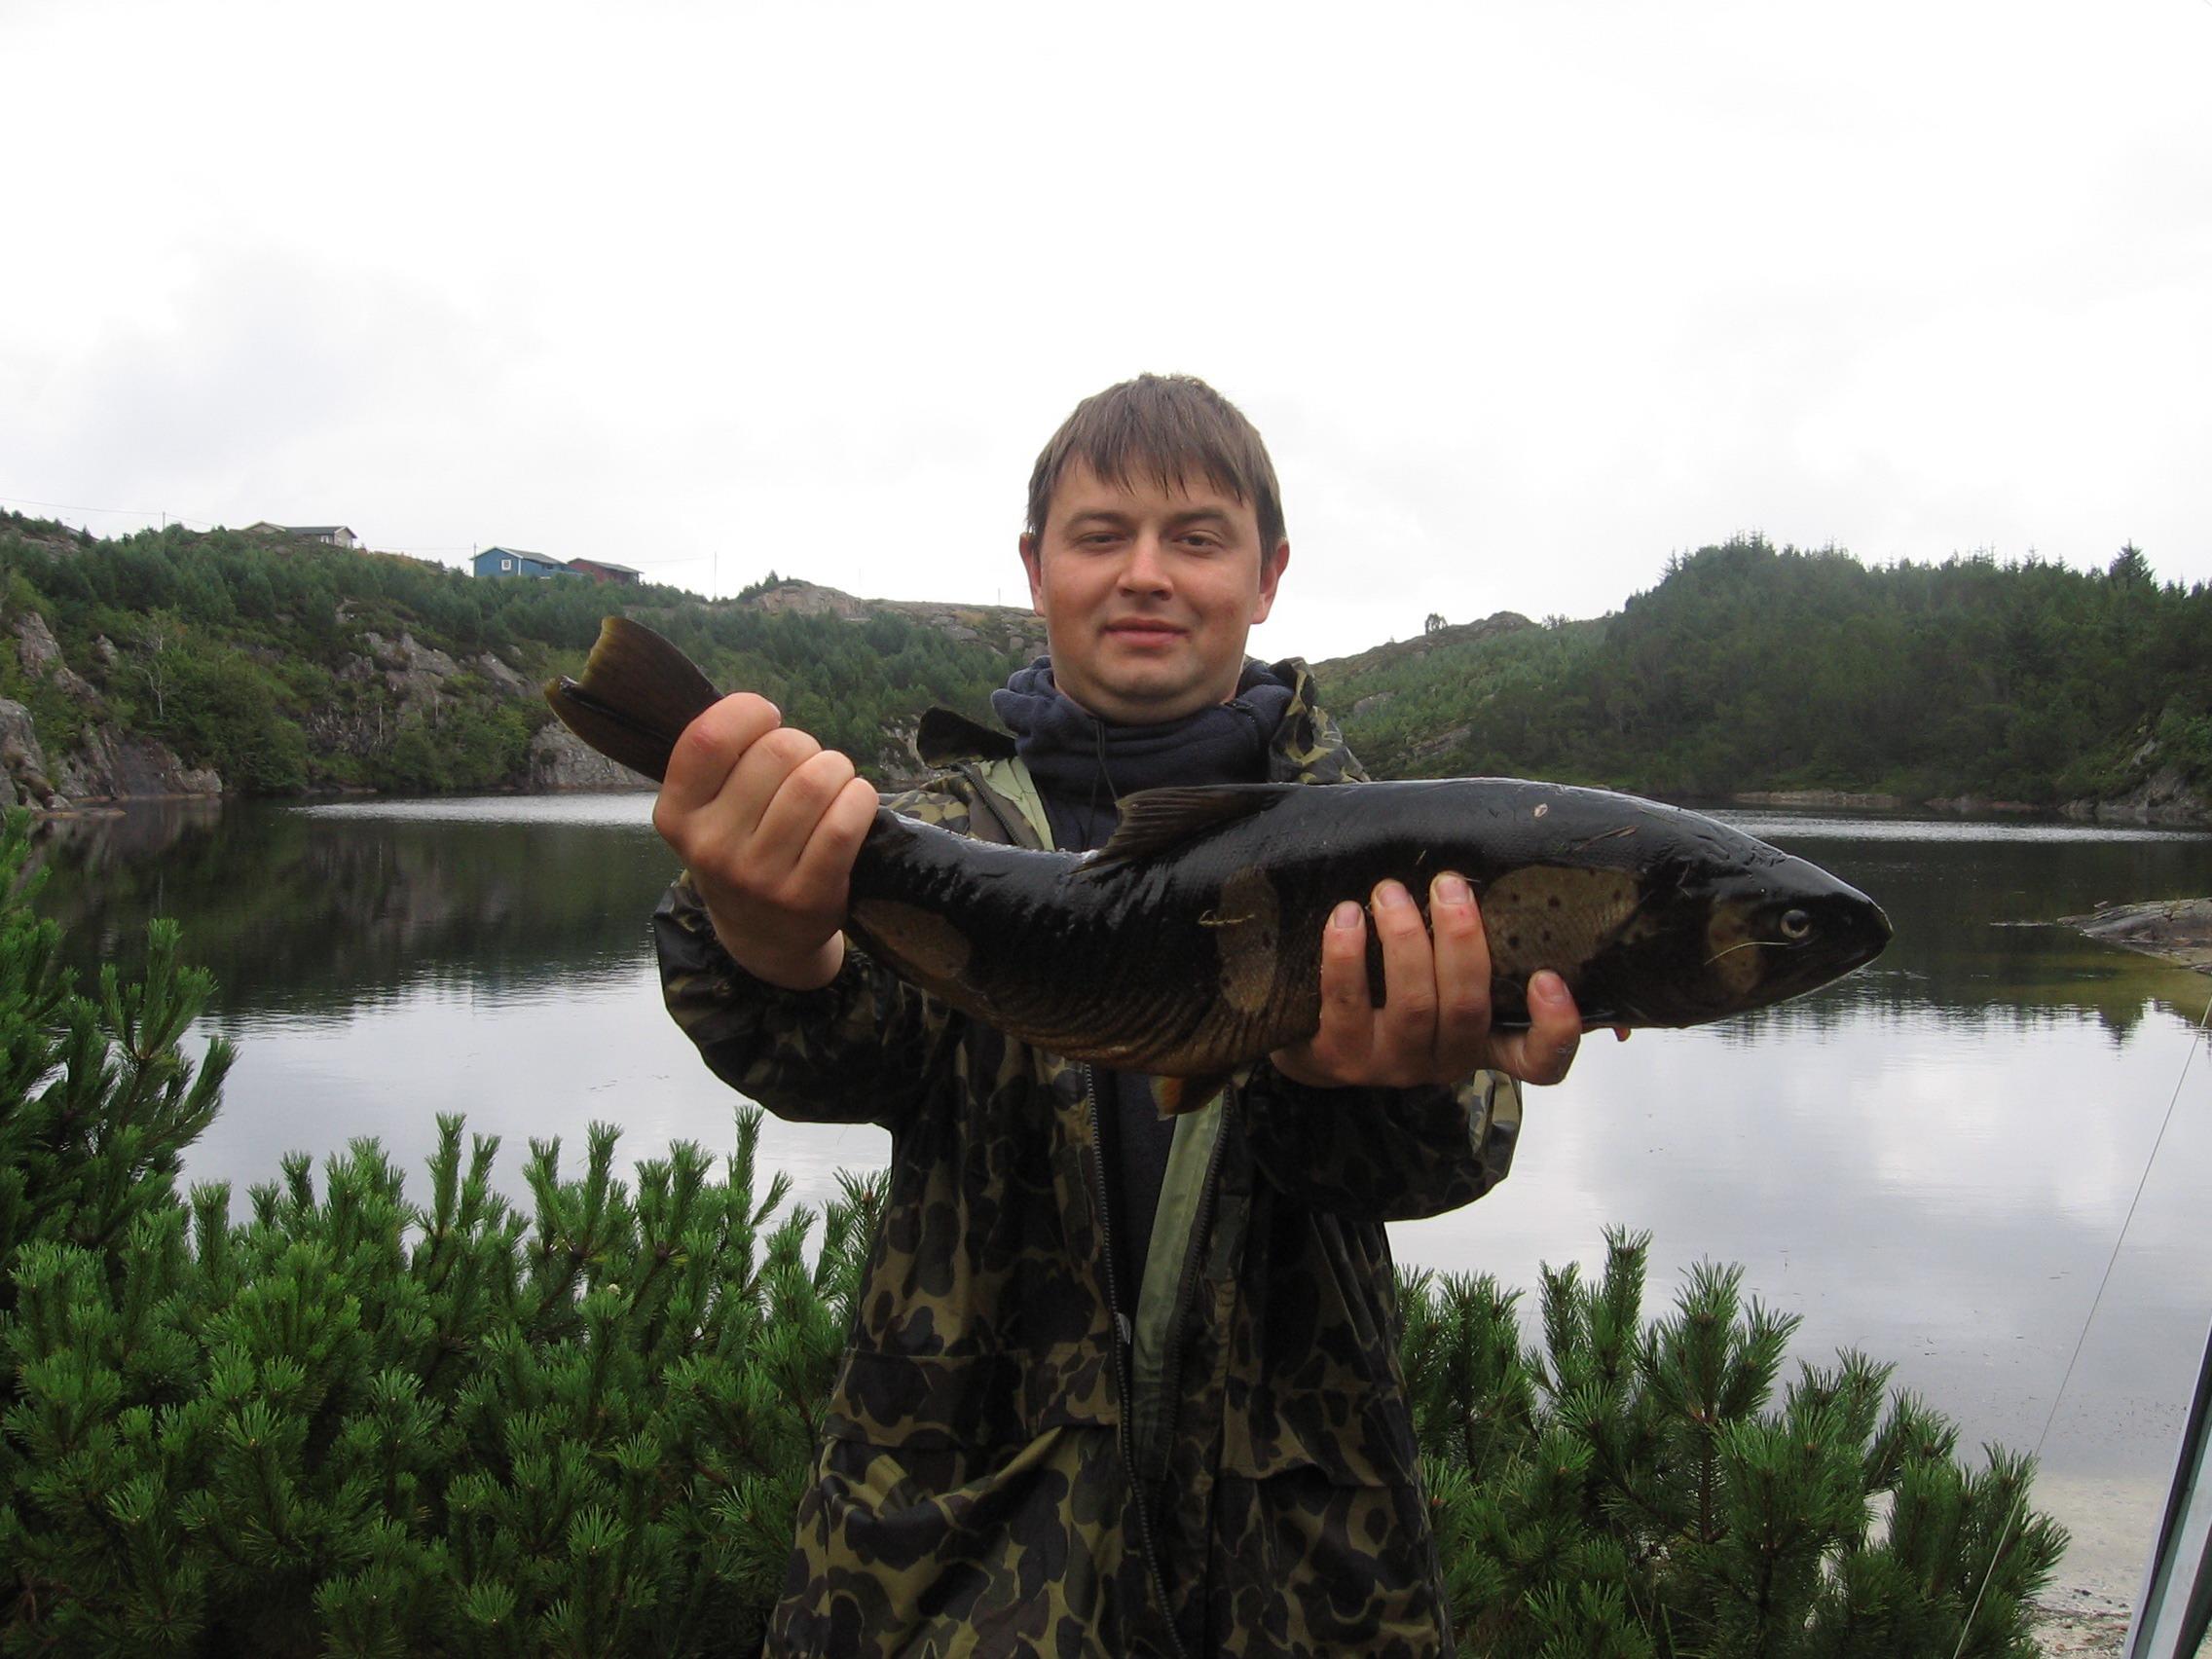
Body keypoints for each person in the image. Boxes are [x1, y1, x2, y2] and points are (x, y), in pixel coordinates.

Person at [651, 375, 1588, 1656]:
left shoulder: (1399, 858)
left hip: (1300, 1580)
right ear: (1037, 570)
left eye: (1196, 537)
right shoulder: (926, 832)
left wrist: (1376, 1083)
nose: (1147, 573)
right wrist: (769, 943)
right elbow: (836, 1052)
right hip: (956, 1582)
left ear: (1268, 576)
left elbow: (1449, 1150)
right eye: (1102, 536)